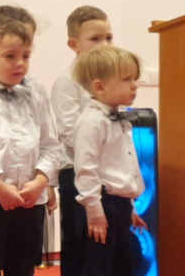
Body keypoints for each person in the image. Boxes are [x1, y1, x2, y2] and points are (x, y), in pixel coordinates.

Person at [0, 15, 60, 276]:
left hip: (31, 200)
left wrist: (41, 181)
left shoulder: (35, 97)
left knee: (23, 266)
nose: (20, 63)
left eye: (26, 56)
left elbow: (51, 145)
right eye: (10, 56)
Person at [72, 45, 146, 276]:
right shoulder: (92, 122)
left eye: (135, 79)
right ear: (100, 87)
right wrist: (95, 212)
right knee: (99, 267)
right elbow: (86, 169)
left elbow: (122, 167)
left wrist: (130, 208)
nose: (134, 85)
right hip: (102, 205)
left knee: (122, 265)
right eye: (127, 79)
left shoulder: (118, 119)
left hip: (118, 206)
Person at [50, 5, 113, 276]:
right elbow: (68, 132)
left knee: (104, 248)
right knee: (81, 247)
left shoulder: (109, 79)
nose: (105, 45)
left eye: (109, 37)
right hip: (76, 173)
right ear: (74, 44)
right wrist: (102, 147)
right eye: (95, 39)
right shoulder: (68, 81)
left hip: (106, 171)